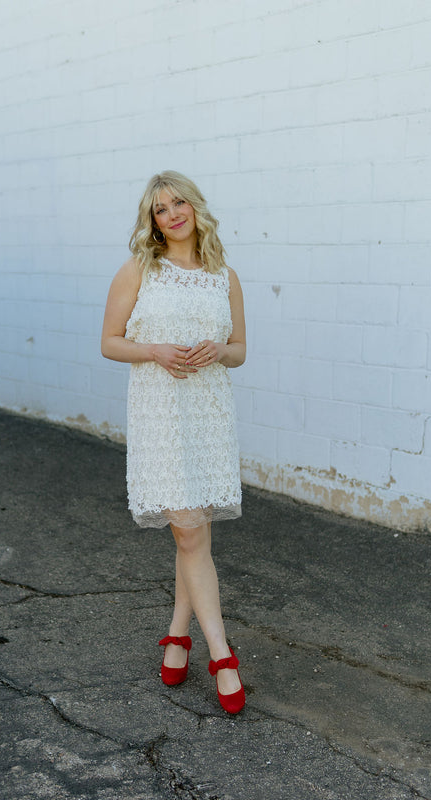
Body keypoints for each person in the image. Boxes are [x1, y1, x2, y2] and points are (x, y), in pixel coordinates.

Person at [101, 170, 247, 714]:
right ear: (153, 221)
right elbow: (110, 343)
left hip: (207, 417)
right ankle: (222, 656)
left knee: (194, 539)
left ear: (194, 208)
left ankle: (177, 637)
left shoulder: (223, 275)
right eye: (161, 208)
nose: (173, 214)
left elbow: (240, 351)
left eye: (179, 202)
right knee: (190, 536)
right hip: (161, 417)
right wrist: (156, 351)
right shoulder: (139, 270)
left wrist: (217, 351)